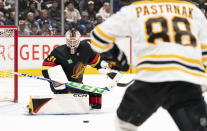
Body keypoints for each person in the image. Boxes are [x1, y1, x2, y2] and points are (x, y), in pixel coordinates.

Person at [90, 0, 207, 130]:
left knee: (124, 125)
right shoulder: (193, 10)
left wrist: (117, 55)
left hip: (151, 78)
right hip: (186, 79)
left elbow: (97, 37)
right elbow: (205, 52)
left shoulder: (135, 10)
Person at [41, 28, 127, 109]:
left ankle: (76, 99)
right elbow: (46, 67)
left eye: (74, 41)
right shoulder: (59, 51)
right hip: (62, 85)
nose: (72, 43)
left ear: (78, 40)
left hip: (78, 85)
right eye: (70, 41)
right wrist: (56, 79)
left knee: (96, 98)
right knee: (72, 96)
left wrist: (107, 69)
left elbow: (96, 62)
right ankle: (63, 95)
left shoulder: (86, 49)